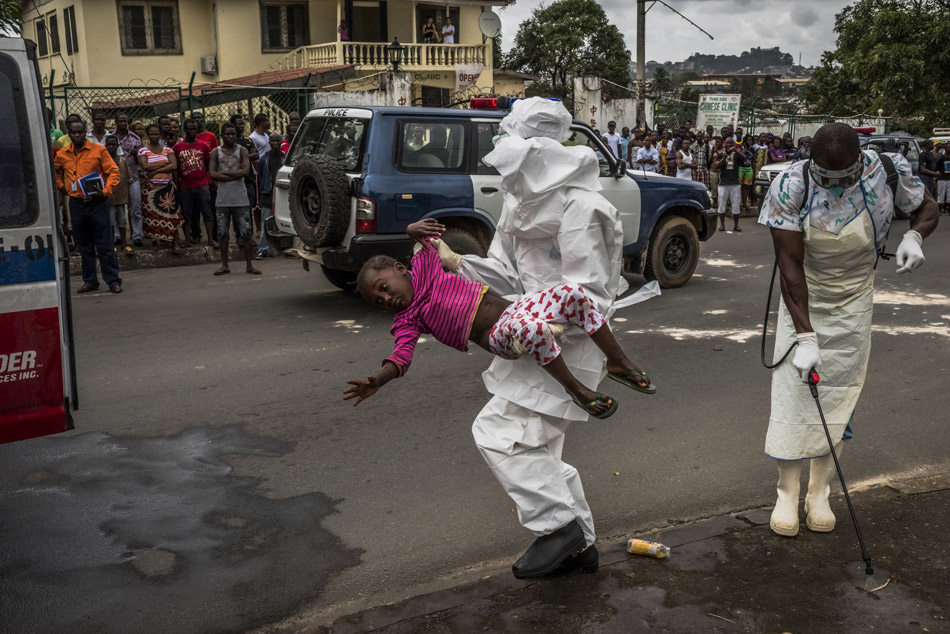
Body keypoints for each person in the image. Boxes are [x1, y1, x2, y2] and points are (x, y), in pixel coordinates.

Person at [411, 98, 653, 579]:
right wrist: (453, 261)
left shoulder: (584, 206)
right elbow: (504, 275)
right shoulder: (519, 207)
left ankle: (557, 527)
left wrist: (546, 328)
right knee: (539, 454)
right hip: (528, 336)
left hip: (570, 345)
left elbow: (590, 293)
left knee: (498, 434)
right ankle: (580, 545)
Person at [758, 122, 938, 538]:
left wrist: (914, 235)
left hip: (856, 299)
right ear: (811, 163)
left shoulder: (887, 172)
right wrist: (805, 337)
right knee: (793, 394)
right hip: (804, 295)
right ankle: (786, 492)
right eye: (825, 177)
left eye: (843, 178)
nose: (833, 186)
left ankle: (819, 491)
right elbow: (789, 268)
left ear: (860, 161)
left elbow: (927, 208)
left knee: (841, 394)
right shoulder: (790, 184)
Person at [348, 227, 650, 419]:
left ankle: (618, 361)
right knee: (532, 330)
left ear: (400, 270)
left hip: (515, 307)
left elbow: (425, 240)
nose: (386, 300)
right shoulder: (407, 320)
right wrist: (379, 379)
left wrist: (412, 229)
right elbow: (401, 356)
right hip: (496, 335)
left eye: (383, 288)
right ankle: (577, 390)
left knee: (572, 294)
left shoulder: (424, 266)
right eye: (378, 302)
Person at [54, 120, 122, 293]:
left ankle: (113, 280)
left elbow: (113, 171)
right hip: (77, 204)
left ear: (85, 132)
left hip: (97, 202)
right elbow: (54, 171)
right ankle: (90, 281)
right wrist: (61, 186)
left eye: (80, 132)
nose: (77, 135)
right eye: (73, 133)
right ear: (68, 133)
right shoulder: (62, 154)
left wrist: (106, 191)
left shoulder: (99, 150)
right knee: (84, 245)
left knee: (105, 244)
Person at [209, 122, 260, 276]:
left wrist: (224, 175)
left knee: (246, 233)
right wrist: (235, 173)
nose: (230, 136)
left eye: (232, 134)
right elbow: (212, 174)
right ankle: (224, 265)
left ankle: (249, 265)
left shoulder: (242, 150)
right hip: (223, 200)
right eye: (227, 134)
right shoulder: (215, 152)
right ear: (222, 135)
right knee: (222, 233)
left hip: (241, 198)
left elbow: (245, 172)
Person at [138, 123, 183, 254]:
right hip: (150, 188)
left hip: (167, 186)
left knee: (172, 215)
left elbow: (174, 166)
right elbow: (145, 166)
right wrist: (164, 163)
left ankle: (175, 243)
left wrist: (155, 168)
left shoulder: (168, 150)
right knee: (152, 216)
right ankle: (154, 242)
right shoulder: (143, 151)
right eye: (151, 134)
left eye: (156, 134)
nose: (154, 136)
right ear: (148, 135)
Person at [173, 118, 216, 248]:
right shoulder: (178, 147)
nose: (193, 132)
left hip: (202, 184)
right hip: (185, 185)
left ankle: (210, 239)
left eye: (195, 129)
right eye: (190, 129)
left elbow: (208, 163)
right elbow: (176, 167)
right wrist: (177, 184)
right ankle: (188, 239)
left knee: (207, 212)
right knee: (187, 214)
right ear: (185, 130)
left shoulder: (203, 145)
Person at [113, 112, 144, 247]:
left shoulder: (135, 138)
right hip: (116, 178)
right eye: (120, 121)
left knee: (135, 207)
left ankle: (137, 235)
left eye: (125, 121)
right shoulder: (110, 137)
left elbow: (141, 158)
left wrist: (136, 154)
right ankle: (117, 236)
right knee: (116, 208)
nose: (123, 124)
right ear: (116, 122)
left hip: (133, 176)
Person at [256, 133, 283, 259]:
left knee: (284, 223)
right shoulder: (264, 159)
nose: (276, 143)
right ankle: (262, 250)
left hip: (282, 195)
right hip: (267, 195)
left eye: (278, 140)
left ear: (281, 142)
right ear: (269, 142)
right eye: (273, 141)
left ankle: (285, 248)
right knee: (265, 224)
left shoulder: (285, 158)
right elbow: (261, 176)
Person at [104, 135, 132, 254]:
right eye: (109, 145)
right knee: (110, 222)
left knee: (122, 221)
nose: (111, 147)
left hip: (121, 197)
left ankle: (124, 244)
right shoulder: (103, 161)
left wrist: (128, 196)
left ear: (117, 146)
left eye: (113, 144)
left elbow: (128, 179)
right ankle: (111, 244)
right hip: (109, 197)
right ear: (105, 146)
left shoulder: (123, 161)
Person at [715, 138, 744, 232]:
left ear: (733, 144)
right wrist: (724, 157)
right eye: (727, 143)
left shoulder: (736, 154)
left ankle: (736, 225)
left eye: (730, 143)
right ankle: (722, 225)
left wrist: (735, 150)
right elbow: (717, 166)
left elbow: (744, 159)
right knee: (721, 204)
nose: (728, 144)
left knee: (736, 205)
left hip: (735, 183)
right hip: (723, 183)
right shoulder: (721, 154)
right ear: (724, 144)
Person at [936, 142, 950, 214]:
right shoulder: (941, 158)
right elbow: (936, 168)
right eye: (948, 147)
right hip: (942, 179)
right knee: (941, 194)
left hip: (949, 179)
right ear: (945, 149)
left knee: (949, 195)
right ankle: (939, 209)